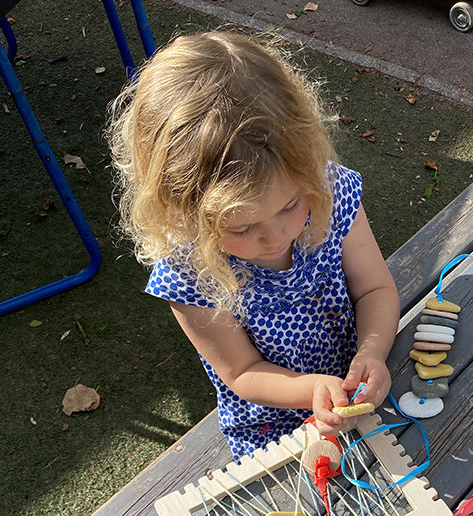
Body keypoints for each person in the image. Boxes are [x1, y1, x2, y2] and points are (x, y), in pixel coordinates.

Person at [107, 30, 400, 460]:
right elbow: (242, 372)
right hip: (273, 425)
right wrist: (313, 389)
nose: (275, 235)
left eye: (288, 206)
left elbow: (375, 289)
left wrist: (373, 350)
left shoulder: (327, 190)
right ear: (184, 210)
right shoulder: (189, 272)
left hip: (361, 380)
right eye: (241, 228)